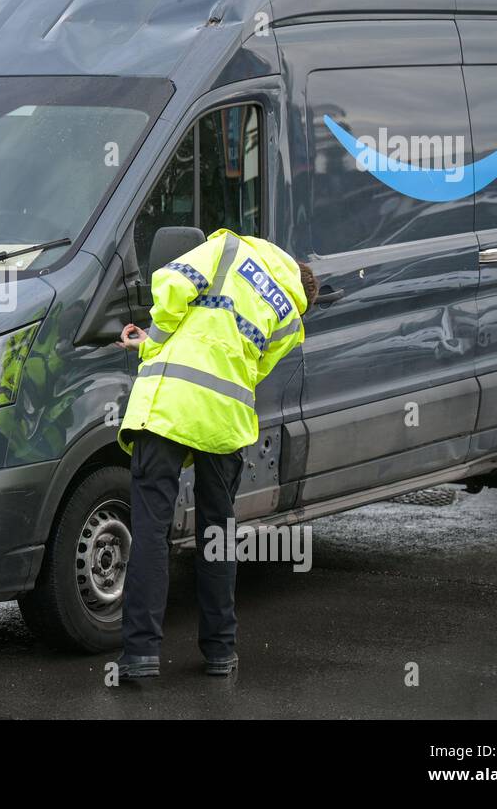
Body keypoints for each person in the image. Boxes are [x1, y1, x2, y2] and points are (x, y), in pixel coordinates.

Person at [114, 227, 318, 678]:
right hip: (226, 419)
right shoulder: (289, 317)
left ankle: (141, 655)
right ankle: (220, 652)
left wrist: (154, 339)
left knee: (151, 530)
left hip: (169, 406)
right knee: (217, 535)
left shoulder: (227, 248)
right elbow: (254, 368)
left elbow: (172, 284)